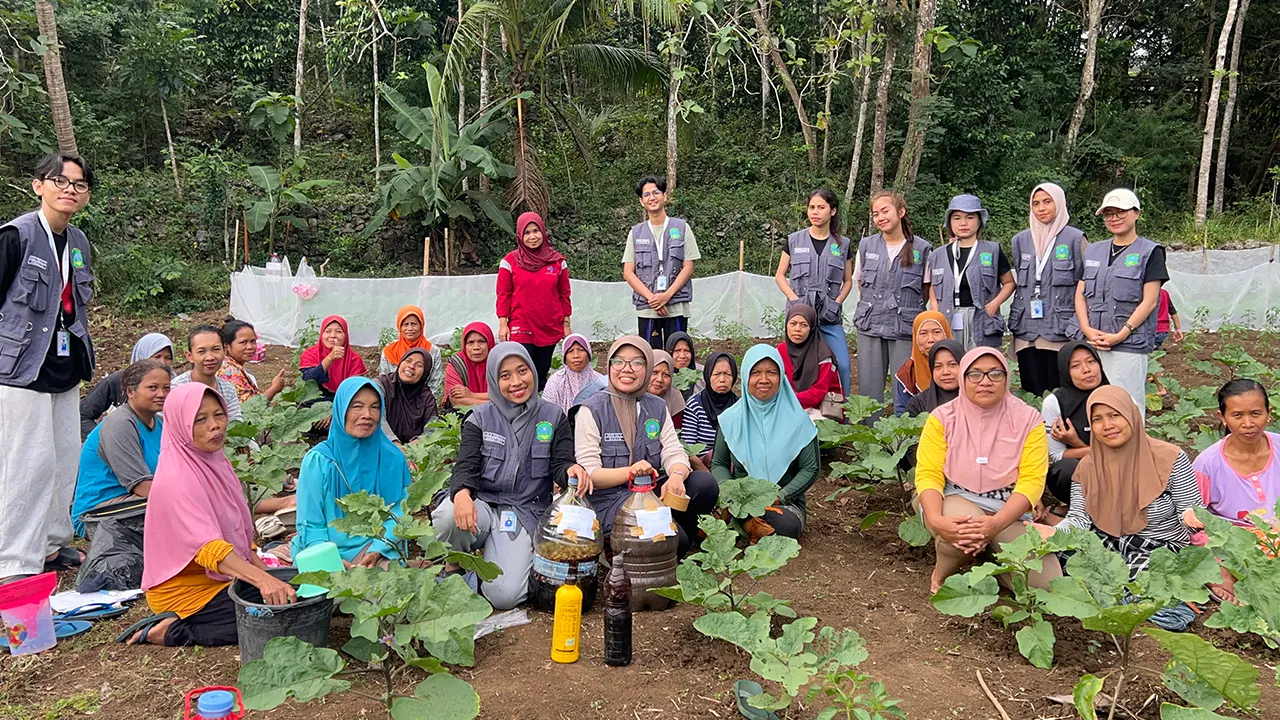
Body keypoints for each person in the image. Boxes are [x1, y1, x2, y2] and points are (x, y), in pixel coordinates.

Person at [124, 384, 296, 645]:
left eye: (219, 414)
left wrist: (259, 566)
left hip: (221, 575)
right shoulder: (176, 478)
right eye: (200, 419)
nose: (215, 425)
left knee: (296, 596)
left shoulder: (215, 460)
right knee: (273, 621)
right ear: (180, 424)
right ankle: (170, 631)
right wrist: (262, 580)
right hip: (187, 590)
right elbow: (206, 546)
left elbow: (234, 524)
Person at [0, 153, 97, 584]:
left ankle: (53, 544)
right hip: (21, 367)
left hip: (64, 363)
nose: (69, 189)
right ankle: (14, 560)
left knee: (63, 458)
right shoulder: (15, 237)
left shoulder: (78, 242)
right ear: (38, 185)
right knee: (27, 462)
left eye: (78, 184)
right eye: (59, 180)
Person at [432, 343, 582, 609]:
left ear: (533, 371)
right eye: (505, 376)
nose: (516, 382)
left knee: (505, 596)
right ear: (494, 379)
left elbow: (560, 463)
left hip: (524, 509)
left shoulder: (552, 416)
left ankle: (480, 573)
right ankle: (454, 565)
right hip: (484, 505)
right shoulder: (479, 418)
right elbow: (465, 466)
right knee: (447, 516)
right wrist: (462, 494)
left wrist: (571, 469)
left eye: (522, 371)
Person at [1049, 385, 1199, 631]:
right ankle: (1123, 601)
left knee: (1142, 581)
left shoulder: (1170, 457)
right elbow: (1079, 519)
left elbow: (1189, 506)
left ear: (1131, 415)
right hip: (1109, 542)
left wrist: (1190, 516)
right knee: (1064, 556)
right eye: (1097, 419)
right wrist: (1052, 534)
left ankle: (1118, 600)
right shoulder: (1087, 467)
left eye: (1115, 415)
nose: (1107, 425)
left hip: (1159, 547)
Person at [914, 347, 1060, 593]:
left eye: (995, 374)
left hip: (1006, 507)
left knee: (1047, 585)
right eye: (975, 374)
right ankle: (941, 574)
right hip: (956, 497)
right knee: (965, 533)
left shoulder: (1029, 420)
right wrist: (936, 519)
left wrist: (996, 525)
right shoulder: (943, 417)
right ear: (963, 378)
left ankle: (987, 557)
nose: (985, 382)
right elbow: (929, 473)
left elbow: (1031, 482)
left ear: (1007, 378)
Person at [573, 336, 719, 557]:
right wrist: (629, 472)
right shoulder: (592, 410)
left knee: (704, 484)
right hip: (609, 501)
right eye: (619, 361)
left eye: (637, 362)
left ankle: (675, 538)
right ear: (609, 365)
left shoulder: (657, 406)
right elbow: (590, 473)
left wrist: (677, 476)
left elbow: (673, 450)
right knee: (672, 541)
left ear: (647, 367)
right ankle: (616, 546)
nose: (627, 369)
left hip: (648, 492)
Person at [291, 377, 413, 565]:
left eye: (375, 407)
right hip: (324, 547)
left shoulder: (392, 459)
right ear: (341, 410)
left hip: (376, 546)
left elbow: (398, 514)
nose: (367, 414)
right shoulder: (320, 460)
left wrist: (377, 550)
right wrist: (331, 559)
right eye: (357, 406)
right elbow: (311, 522)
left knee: (387, 587)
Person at [1071, 188, 1167, 412]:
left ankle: (1133, 448)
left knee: (1127, 404)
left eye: (1121, 212)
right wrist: (1086, 329)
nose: (1114, 218)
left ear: (1136, 213)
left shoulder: (1150, 252)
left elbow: (1150, 301)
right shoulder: (1093, 251)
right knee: (1094, 404)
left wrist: (1122, 334)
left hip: (1128, 345)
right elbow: (1080, 293)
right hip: (1093, 343)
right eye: (1108, 213)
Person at [712, 345, 820, 540]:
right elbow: (719, 464)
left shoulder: (798, 421)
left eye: (771, 372)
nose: (763, 379)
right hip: (739, 502)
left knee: (785, 525)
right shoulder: (731, 419)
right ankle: (746, 523)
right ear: (746, 377)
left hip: (784, 505)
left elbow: (810, 469)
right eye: (755, 373)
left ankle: (742, 525)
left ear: (781, 377)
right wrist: (729, 493)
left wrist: (780, 496)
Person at [1187, 379, 1277, 603]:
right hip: (1234, 540)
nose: (1248, 423)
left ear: (1269, 413)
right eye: (1237, 415)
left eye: (1256, 413)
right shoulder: (1208, 463)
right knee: (1224, 568)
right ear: (1222, 417)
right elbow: (1195, 519)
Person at [71, 359, 170, 535]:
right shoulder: (120, 424)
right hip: (99, 513)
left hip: (140, 501)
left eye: (166, 388)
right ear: (131, 392)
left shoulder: (161, 424)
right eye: (152, 388)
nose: (161, 394)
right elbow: (141, 487)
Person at [1009, 183, 1088, 396]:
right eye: (1035, 203)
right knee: (1031, 390)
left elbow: (1088, 284)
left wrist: (1079, 323)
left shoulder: (1075, 238)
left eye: (1047, 202)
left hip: (1061, 328)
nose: (1041, 208)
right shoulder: (1020, 240)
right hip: (1027, 330)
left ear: (1059, 203)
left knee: (1060, 392)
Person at [853, 190, 932, 402]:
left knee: (906, 385)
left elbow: (925, 289)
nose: (880, 217)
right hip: (870, 324)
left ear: (901, 212)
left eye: (885, 211)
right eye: (875, 214)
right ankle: (868, 433)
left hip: (904, 327)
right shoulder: (866, 245)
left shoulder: (922, 249)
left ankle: (904, 434)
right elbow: (861, 283)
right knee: (869, 388)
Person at [775, 188, 854, 396]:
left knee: (843, 365)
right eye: (812, 207)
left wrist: (837, 301)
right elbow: (780, 276)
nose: (815, 212)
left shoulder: (843, 244)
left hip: (829, 317)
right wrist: (795, 300)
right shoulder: (794, 240)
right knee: (797, 367)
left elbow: (848, 280)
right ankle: (796, 408)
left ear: (833, 211)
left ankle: (841, 415)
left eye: (821, 207)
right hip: (800, 318)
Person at [927, 194, 1014, 351]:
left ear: (980, 220)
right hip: (948, 318)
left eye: (970, 217)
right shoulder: (938, 254)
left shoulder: (992, 250)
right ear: (950, 222)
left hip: (981, 319)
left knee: (979, 366)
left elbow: (1009, 283)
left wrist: (995, 304)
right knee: (951, 363)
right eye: (957, 218)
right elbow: (933, 285)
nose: (963, 223)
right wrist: (934, 306)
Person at [622, 176, 701, 349]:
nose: (652, 197)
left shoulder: (681, 228)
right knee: (652, 359)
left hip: (676, 305)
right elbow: (628, 272)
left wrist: (667, 296)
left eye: (656, 192)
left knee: (679, 358)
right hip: (648, 308)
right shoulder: (636, 233)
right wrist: (653, 299)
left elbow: (688, 267)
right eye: (647, 194)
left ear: (665, 196)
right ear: (641, 201)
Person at [497, 212, 572, 389]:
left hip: (549, 324)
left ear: (543, 232)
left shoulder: (557, 262)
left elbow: (564, 294)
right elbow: (503, 294)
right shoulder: (509, 262)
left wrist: (566, 324)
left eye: (536, 231)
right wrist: (503, 323)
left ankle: (541, 410)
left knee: (540, 372)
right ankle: (520, 410)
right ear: (520, 236)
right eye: (527, 232)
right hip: (521, 324)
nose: (532, 237)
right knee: (522, 369)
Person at [1041, 341, 1110, 504]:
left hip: (1118, 470)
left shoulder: (1119, 397)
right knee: (1065, 469)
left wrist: (1075, 442)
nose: (1086, 369)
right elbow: (1057, 456)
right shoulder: (1054, 403)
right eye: (1076, 366)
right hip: (1080, 473)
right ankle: (1082, 510)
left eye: (1091, 361)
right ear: (1065, 371)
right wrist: (1101, 451)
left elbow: (1131, 450)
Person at [80, 333, 173, 439]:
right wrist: (103, 439)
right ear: (130, 392)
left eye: (168, 358)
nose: (163, 362)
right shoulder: (118, 381)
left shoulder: (177, 385)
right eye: (157, 357)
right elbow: (83, 415)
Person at [776, 304, 842, 418]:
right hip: (788, 405)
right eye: (793, 323)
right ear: (786, 325)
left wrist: (787, 401)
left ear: (811, 328)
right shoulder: (780, 351)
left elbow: (818, 392)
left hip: (819, 408)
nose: (797, 329)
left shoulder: (823, 355)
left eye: (804, 325)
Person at [171, 325, 243, 422]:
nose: (210, 357)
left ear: (225, 351)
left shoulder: (227, 389)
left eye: (216, 349)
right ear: (189, 356)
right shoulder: (176, 389)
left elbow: (236, 424)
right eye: (201, 351)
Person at [892, 311, 953, 415]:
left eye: (937, 332)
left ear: (946, 333)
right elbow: (902, 416)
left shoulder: (963, 368)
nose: (931, 340)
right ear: (915, 338)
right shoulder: (908, 374)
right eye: (923, 334)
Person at [300, 315, 367, 404]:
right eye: (328, 331)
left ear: (345, 335)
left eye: (338, 332)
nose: (333, 336)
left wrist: (333, 410)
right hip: (312, 404)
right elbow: (309, 380)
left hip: (343, 403)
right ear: (322, 334)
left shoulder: (354, 360)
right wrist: (330, 358)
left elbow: (354, 391)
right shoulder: (310, 354)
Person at [377, 347, 438, 445]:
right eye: (408, 360)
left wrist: (413, 447)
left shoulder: (426, 397)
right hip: (381, 445)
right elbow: (377, 416)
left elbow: (432, 428)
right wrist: (395, 444)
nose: (411, 366)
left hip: (414, 453)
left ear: (425, 373)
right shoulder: (381, 384)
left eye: (419, 365)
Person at [680, 351, 738, 452]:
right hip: (700, 464)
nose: (722, 379)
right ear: (708, 376)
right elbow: (688, 449)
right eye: (717, 374)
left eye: (727, 374)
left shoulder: (739, 406)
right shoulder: (695, 405)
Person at [218, 319, 286, 404]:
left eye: (253, 341)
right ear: (227, 346)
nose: (250, 347)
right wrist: (274, 388)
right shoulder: (229, 371)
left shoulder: (230, 365)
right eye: (243, 342)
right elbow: (249, 409)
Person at [377, 305, 444, 392]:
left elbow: (435, 384)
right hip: (394, 400)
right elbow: (384, 383)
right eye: (405, 324)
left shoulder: (433, 351)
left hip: (422, 401)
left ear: (421, 326)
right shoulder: (389, 351)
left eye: (414, 324)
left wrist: (426, 403)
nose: (410, 328)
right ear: (399, 327)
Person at [541, 333, 604, 412]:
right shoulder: (555, 381)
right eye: (570, 351)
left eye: (581, 350)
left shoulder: (600, 381)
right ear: (565, 357)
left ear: (588, 354)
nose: (576, 355)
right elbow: (547, 411)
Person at [904, 339, 964, 417]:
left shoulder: (977, 400)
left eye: (952, 364)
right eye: (938, 366)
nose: (945, 372)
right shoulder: (918, 403)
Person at [444, 322, 495, 411]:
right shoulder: (457, 364)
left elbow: (508, 395)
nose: (476, 347)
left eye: (481, 341)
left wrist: (472, 395)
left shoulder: (499, 362)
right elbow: (457, 401)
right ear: (465, 345)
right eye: (470, 342)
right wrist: (496, 405)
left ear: (489, 343)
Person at [649, 350, 687, 428]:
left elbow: (676, 432)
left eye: (666, 375)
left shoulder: (674, 398)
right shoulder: (631, 396)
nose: (659, 379)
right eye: (654, 372)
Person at [664, 331, 703, 399]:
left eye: (687, 351)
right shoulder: (660, 375)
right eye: (677, 350)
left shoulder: (702, 374)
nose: (682, 356)